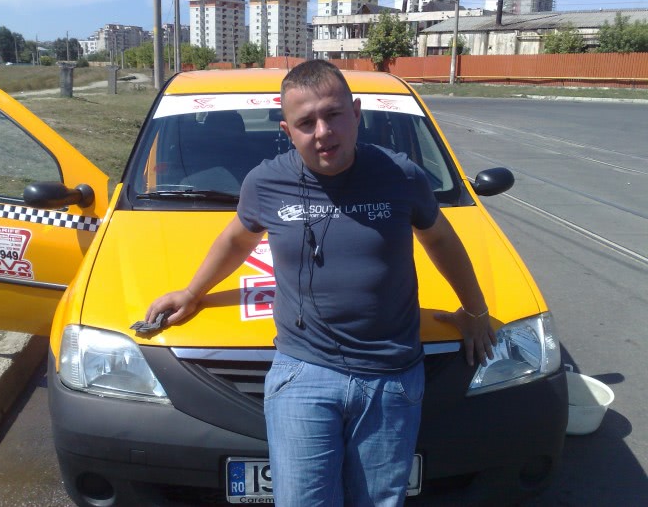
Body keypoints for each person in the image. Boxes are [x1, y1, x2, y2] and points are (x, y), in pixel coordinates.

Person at [146, 60, 496, 506]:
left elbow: (440, 239)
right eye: (306, 122)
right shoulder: (266, 182)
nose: (323, 132)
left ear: (357, 113)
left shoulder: (401, 175)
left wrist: (476, 310)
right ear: (287, 131)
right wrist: (192, 292)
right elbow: (236, 239)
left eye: (333, 115)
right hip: (304, 371)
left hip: (390, 375)